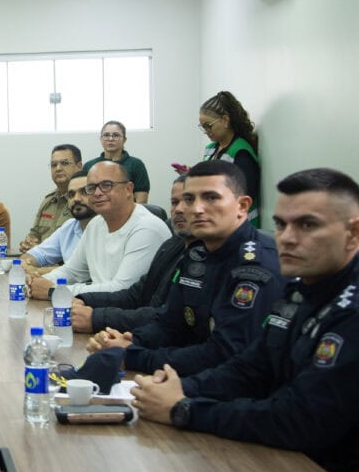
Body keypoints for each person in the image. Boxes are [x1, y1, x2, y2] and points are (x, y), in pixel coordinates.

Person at [131, 168, 359, 472]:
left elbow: (300, 418)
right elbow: (249, 368)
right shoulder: (302, 287)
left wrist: (184, 409)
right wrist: (178, 388)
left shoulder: (351, 309)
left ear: (353, 233)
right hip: (289, 466)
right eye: (281, 224)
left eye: (307, 225)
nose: (287, 238)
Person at [87, 160, 283, 376]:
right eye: (189, 199)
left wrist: (133, 355)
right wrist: (130, 340)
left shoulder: (255, 267)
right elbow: (170, 324)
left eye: (211, 198)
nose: (195, 209)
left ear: (242, 206)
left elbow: (223, 354)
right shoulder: (196, 254)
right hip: (190, 376)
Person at [28, 161, 169, 299]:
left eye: (106, 185)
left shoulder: (146, 228)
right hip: (96, 308)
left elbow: (122, 291)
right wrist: (36, 282)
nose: (97, 193)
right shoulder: (95, 224)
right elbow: (72, 271)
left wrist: (54, 291)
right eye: (91, 188)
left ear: (128, 189)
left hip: (128, 311)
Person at [71, 176, 192, 333]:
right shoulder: (173, 245)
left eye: (189, 201)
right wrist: (83, 299)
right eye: (174, 202)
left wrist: (96, 318)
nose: (179, 209)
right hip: (144, 336)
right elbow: (135, 295)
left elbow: (169, 317)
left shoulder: (149, 228)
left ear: (129, 190)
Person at [199, 91, 260, 227]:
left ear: (225, 120)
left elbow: (243, 195)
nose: (206, 131)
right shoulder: (210, 149)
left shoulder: (241, 152)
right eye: (203, 127)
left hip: (240, 226)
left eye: (209, 126)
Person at [20, 169, 94, 276]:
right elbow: (39, 254)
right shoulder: (69, 226)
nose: (76, 199)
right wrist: (25, 264)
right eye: (71, 194)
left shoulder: (106, 227)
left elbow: (82, 271)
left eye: (84, 192)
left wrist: (36, 271)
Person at [17, 145, 83, 252]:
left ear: (79, 166)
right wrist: (28, 243)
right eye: (54, 165)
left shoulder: (85, 201)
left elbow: (80, 247)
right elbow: (34, 234)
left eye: (64, 163)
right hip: (39, 259)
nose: (58, 168)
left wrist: (40, 250)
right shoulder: (48, 201)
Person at [82, 120, 150, 203]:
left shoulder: (136, 164)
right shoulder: (90, 166)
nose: (110, 139)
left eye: (116, 135)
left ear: (124, 140)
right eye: (106, 135)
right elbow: (85, 196)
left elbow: (141, 200)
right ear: (101, 139)